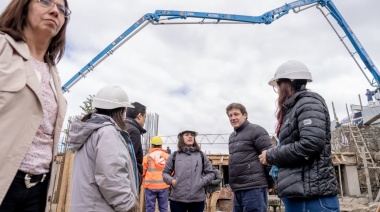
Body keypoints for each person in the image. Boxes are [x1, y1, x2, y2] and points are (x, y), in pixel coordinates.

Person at [0, 0, 70, 210]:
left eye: (62, 9)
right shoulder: (3, 48)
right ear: (24, 6)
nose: (54, 11)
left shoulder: (53, 74)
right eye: (46, 1)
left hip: (38, 190)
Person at [259, 60, 339, 211]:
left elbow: (311, 144)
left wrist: (271, 155)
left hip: (313, 199)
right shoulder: (295, 107)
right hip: (300, 196)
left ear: (288, 84)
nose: (278, 91)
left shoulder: (309, 103)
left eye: (278, 86)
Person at [69, 85, 139, 212]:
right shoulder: (107, 132)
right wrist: (128, 205)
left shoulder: (90, 131)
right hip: (99, 207)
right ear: (121, 111)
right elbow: (111, 176)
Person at [226, 103, 273, 212]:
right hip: (238, 188)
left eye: (236, 114)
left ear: (245, 115)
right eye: (230, 115)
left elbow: (269, 158)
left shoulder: (257, 131)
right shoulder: (232, 137)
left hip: (254, 188)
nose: (233, 118)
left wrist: (270, 183)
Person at [163, 129, 214, 212]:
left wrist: (200, 182)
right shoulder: (174, 155)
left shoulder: (201, 155)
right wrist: (172, 181)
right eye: (187, 134)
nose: (190, 136)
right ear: (181, 138)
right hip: (177, 199)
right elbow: (165, 173)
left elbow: (210, 173)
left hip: (197, 199)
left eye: (192, 135)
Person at [142, 136, 170, 212]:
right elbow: (171, 171)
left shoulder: (147, 157)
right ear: (161, 145)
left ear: (152, 145)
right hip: (164, 185)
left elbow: (143, 171)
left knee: (150, 208)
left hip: (150, 185)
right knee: (163, 208)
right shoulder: (167, 157)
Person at [125, 102, 147, 178]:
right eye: (145, 117)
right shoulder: (134, 131)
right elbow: (129, 160)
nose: (144, 121)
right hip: (129, 179)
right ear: (139, 116)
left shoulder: (121, 126)